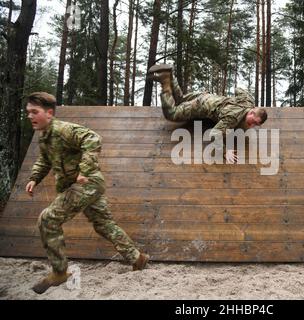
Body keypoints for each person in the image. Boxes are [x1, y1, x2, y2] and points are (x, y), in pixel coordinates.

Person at [25, 92, 149, 294]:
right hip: (87, 186)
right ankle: (137, 258)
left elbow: (93, 138)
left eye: (34, 112)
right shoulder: (45, 138)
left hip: (85, 185)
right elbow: (45, 160)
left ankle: (59, 272)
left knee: (47, 219)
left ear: (49, 113)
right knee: (104, 225)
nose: (30, 116)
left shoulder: (63, 130)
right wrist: (34, 178)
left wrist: (85, 170)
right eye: (28, 112)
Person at [148, 64, 268, 163]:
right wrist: (225, 151)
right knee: (171, 114)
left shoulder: (249, 100)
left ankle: (170, 74)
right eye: (254, 122)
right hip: (201, 105)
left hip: (208, 96)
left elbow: (238, 89)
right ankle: (165, 82)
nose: (252, 125)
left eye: (255, 125)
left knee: (180, 100)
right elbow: (215, 133)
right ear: (252, 112)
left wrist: (231, 102)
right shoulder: (233, 118)